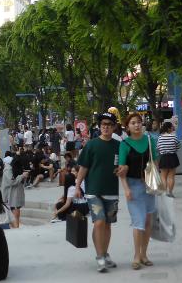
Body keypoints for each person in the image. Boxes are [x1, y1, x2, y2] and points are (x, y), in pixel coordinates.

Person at [75, 112, 122, 273]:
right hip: (93, 191)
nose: (106, 127)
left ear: (114, 127)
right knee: (99, 221)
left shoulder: (119, 145)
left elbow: (124, 166)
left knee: (107, 224)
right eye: (103, 124)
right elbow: (84, 167)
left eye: (109, 124)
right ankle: (99, 256)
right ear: (99, 126)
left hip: (112, 191)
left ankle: (105, 254)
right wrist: (77, 186)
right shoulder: (91, 145)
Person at [117, 113, 158, 270]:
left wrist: (156, 181)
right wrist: (126, 189)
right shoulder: (124, 144)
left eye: (139, 122)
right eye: (133, 123)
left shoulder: (150, 140)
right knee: (138, 221)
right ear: (127, 126)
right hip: (133, 185)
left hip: (149, 185)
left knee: (147, 221)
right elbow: (121, 170)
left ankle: (144, 254)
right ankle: (136, 256)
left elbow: (155, 162)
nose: (136, 125)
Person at [0, 152, 28, 228]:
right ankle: (16, 228)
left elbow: (19, 180)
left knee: (16, 209)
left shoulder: (15, 168)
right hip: (11, 194)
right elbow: (11, 181)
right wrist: (22, 176)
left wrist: (23, 177)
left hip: (16, 193)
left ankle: (16, 227)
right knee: (14, 210)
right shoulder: (8, 169)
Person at [156, 122, 181, 197]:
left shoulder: (160, 138)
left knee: (163, 176)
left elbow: (158, 148)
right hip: (173, 157)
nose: (173, 128)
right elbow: (178, 146)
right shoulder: (174, 137)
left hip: (163, 157)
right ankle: (170, 192)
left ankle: (164, 193)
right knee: (171, 176)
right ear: (169, 128)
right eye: (172, 127)